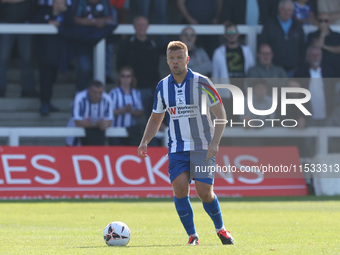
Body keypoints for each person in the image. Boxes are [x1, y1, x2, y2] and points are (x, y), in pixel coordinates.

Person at [137, 41, 234, 246]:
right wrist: (145, 141)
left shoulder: (202, 82)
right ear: (167, 61)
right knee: (180, 189)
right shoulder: (162, 86)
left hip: (202, 147)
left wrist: (215, 143)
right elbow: (156, 118)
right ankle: (192, 236)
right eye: (172, 58)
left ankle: (221, 229)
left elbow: (221, 114)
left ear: (187, 59)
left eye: (179, 57)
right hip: (177, 148)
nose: (175, 62)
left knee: (204, 193)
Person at [117, 16, 160, 120]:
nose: (141, 27)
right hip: (133, 90)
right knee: (135, 122)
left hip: (150, 89)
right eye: (138, 25)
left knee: (150, 121)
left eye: (143, 25)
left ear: (147, 26)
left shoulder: (153, 43)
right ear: (134, 27)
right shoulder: (126, 44)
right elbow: (119, 65)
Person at [33, 0, 71, 116]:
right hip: (44, 53)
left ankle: (48, 102)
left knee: (52, 79)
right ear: (53, 3)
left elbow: (72, 25)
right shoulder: (44, 12)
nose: (59, 5)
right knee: (45, 79)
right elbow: (34, 22)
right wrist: (48, 22)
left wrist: (66, 13)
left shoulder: (67, 15)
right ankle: (44, 104)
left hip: (59, 54)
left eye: (62, 3)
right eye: (57, 2)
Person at [212, 21, 255, 120]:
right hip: (226, 94)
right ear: (225, 35)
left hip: (243, 91)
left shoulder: (247, 51)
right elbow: (215, 76)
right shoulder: (218, 52)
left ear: (238, 33)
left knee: (242, 121)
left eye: (234, 32)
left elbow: (251, 71)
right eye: (229, 33)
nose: (232, 35)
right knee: (227, 121)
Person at [0, 0, 37, 98]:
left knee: (27, 58)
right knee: (2, 58)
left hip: (26, 22)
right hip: (5, 22)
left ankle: (28, 89)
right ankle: (1, 88)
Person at [260, 0, 305, 77]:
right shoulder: (269, 25)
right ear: (279, 9)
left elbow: (302, 47)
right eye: (284, 10)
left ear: (292, 11)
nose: (286, 12)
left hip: (294, 69)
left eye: (289, 10)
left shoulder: (298, 26)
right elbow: (263, 44)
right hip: (274, 69)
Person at [69, 80, 113, 145]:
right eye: (94, 92)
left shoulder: (107, 98)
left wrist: (104, 124)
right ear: (88, 91)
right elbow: (77, 122)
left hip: (98, 131)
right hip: (77, 130)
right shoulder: (79, 98)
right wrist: (96, 124)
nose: (97, 96)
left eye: (100, 93)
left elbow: (109, 120)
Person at [109, 66, 144, 146]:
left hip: (132, 131)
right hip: (116, 130)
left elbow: (141, 112)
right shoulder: (113, 93)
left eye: (128, 76)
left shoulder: (136, 93)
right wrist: (123, 110)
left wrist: (131, 111)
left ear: (132, 78)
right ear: (119, 78)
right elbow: (108, 112)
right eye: (123, 76)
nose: (126, 79)